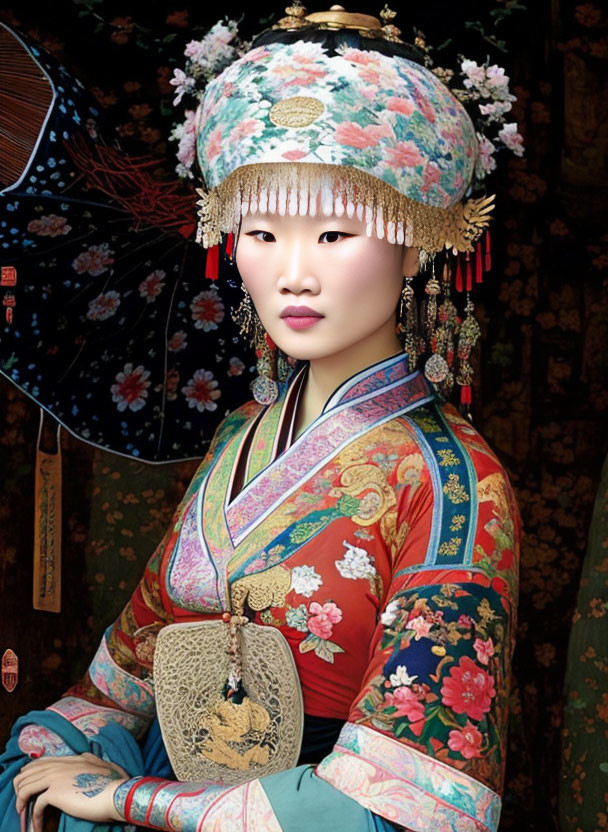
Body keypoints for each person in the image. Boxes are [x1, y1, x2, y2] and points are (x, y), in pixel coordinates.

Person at [5, 6, 520, 831]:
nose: (294, 274)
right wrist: (61, 749)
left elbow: (416, 802)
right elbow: (121, 680)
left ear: (417, 243)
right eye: (263, 231)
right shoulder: (238, 435)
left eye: (334, 232)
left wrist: (131, 800)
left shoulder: (454, 483)